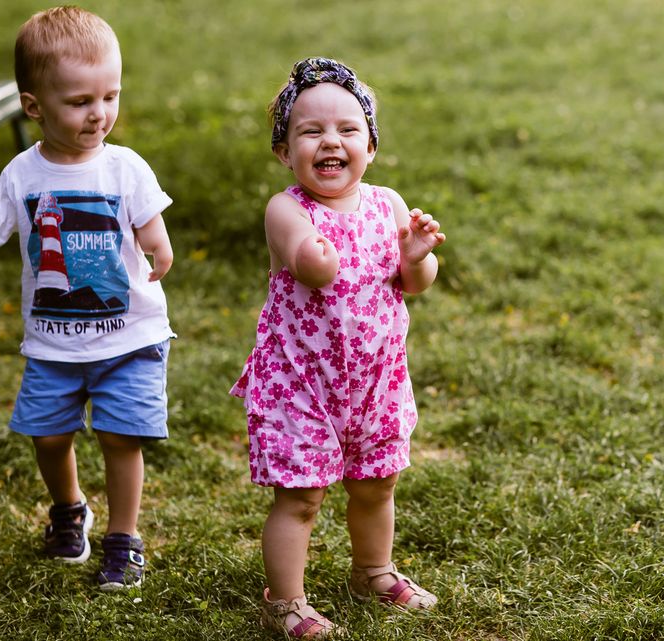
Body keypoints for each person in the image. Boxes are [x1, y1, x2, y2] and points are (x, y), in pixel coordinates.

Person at [231, 57, 444, 637]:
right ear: (284, 151)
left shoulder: (389, 204)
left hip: (376, 381)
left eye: (348, 130)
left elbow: (414, 284)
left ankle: (373, 571)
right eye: (311, 131)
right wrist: (320, 248)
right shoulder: (286, 209)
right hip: (301, 385)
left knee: (377, 485)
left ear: (370, 146)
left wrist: (417, 256)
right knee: (300, 499)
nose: (331, 142)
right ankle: (285, 602)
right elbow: (312, 264)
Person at [0, 6, 174, 591]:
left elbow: (152, 231)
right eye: (80, 101)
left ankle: (124, 538)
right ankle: (70, 507)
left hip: (129, 337)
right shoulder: (22, 175)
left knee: (121, 438)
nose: (100, 114)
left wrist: (157, 251)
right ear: (34, 105)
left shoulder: (125, 168)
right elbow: (1, 223)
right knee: (48, 435)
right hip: (53, 341)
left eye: (110, 96)